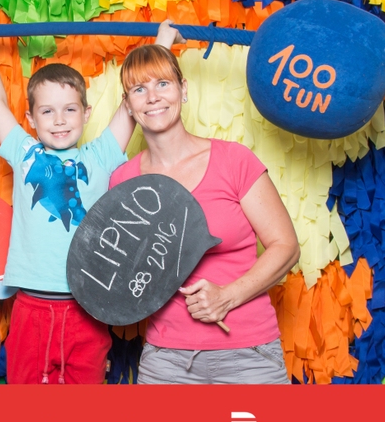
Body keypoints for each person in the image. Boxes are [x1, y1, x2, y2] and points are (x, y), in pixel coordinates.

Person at [0, 23, 181, 384]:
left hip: (87, 306)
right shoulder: (25, 153)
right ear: (30, 119)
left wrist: (162, 41)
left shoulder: (100, 155)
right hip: (31, 306)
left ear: (86, 114)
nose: (59, 120)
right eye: (47, 112)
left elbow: (131, 104)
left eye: (69, 110)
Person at [110, 38, 301, 384]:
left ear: (183, 90)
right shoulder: (123, 181)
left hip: (249, 354)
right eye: (139, 89)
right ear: (128, 105)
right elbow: (125, 273)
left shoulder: (234, 160)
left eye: (163, 83)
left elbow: (286, 246)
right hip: (165, 360)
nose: (152, 97)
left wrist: (227, 297)